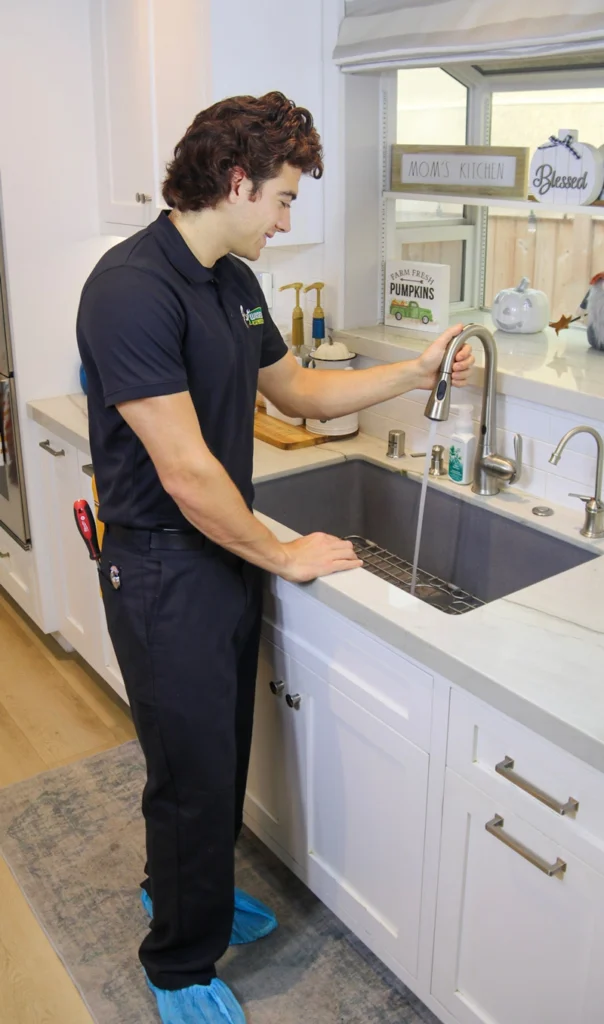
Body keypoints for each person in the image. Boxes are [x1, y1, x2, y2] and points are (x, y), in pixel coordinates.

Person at [77, 91, 474, 1024]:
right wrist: (283, 555)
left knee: (209, 756)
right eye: (285, 198)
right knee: (193, 768)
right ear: (235, 179)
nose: (289, 218)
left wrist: (413, 373)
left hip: (218, 555)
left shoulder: (232, 281)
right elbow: (182, 469)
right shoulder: (130, 288)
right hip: (163, 564)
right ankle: (177, 961)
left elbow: (296, 390)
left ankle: (176, 891)